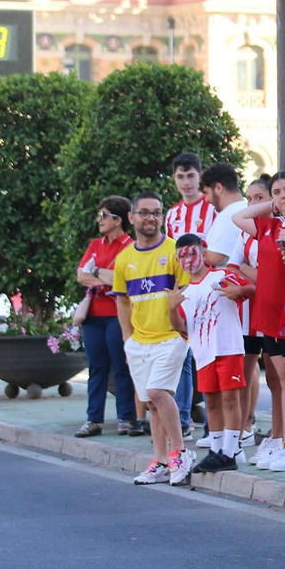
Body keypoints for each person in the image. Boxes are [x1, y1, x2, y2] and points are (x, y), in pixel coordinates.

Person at [233, 171, 285, 471]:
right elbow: (239, 216)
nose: (284, 195)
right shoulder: (270, 225)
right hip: (268, 313)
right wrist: (270, 204)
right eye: (277, 191)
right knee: (282, 380)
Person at [116, 193, 191, 485]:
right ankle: (160, 461)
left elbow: (186, 293)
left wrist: (181, 327)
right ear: (132, 217)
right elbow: (122, 302)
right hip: (139, 340)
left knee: (159, 392)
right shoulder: (124, 259)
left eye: (157, 213)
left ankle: (181, 452)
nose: (151, 218)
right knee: (150, 403)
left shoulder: (175, 251)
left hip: (172, 336)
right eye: (145, 213)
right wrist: (127, 340)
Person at [169, 234, 252, 475]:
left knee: (230, 400)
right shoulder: (184, 292)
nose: (188, 260)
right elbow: (180, 326)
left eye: (192, 253)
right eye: (182, 255)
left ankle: (230, 450)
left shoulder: (221, 276)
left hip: (228, 348)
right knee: (212, 403)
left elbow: (251, 290)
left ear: (204, 254)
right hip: (203, 354)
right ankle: (216, 451)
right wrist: (171, 306)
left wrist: (239, 290)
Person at [192, 162, 250, 454]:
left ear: (217, 187)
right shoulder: (232, 214)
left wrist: (193, 251)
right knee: (226, 385)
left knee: (234, 385)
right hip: (226, 310)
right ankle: (227, 440)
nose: (205, 200)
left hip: (229, 309)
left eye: (205, 192)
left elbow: (218, 256)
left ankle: (234, 441)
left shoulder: (230, 216)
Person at [74, 196, 136, 438]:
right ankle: (94, 419)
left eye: (104, 216)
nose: (99, 220)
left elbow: (125, 279)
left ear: (118, 220)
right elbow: (81, 275)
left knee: (121, 366)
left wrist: (97, 273)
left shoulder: (130, 246)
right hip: (93, 315)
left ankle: (126, 418)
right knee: (97, 368)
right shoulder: (95, 245)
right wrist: (106, 278)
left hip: (117, 314)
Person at [166, 153, 215, 443]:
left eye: (191, 176)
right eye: (180, 177)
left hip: (208, 291)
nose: (186, 182)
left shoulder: (213, 210)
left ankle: (213, 423)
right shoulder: (172, 215)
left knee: (208, 356)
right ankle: (183, 419)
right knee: (182, 356)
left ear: (200, 176)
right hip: (182, 293)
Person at [238, 174, 273, 448]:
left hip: (275, 312)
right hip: (247, 312)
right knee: (245, 370)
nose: (253, 203)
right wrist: (253, 275)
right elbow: (233, 266)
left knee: (277, 376)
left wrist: (253, 274)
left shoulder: (280, 227)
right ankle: (244, 426)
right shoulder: (247, 233)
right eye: (249, 199)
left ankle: (284, 434)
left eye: (258, 198)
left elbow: (271, 277)